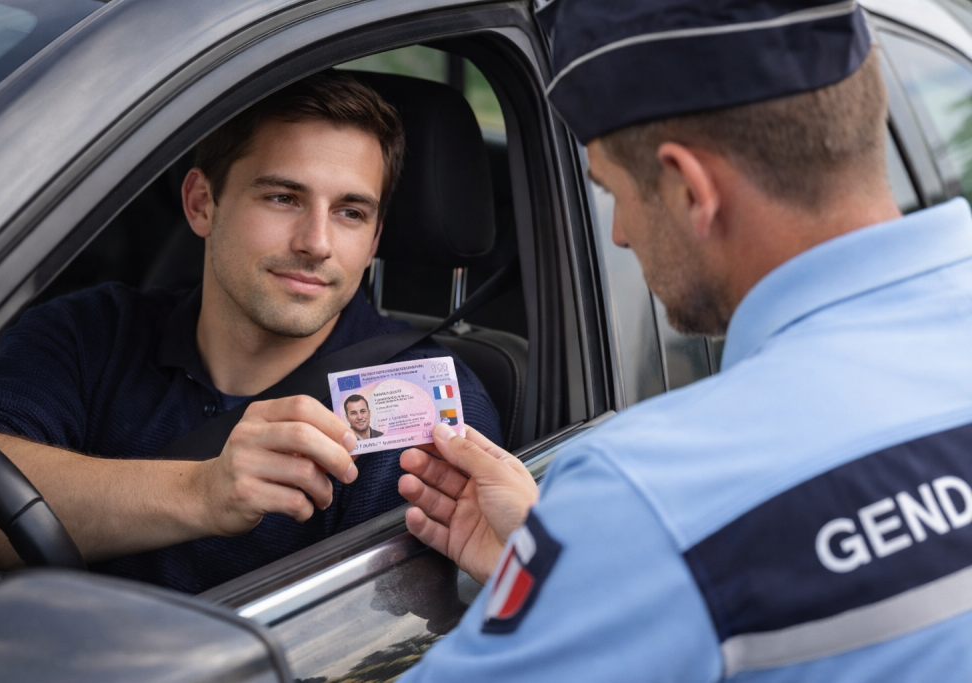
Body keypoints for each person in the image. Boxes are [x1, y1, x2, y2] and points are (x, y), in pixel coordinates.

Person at [396, 1, 972, 681]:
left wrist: (590, 563)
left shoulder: (648, 497)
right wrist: (578, 579)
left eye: (612, 192)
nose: (618, 235)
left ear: (691, 190)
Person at [0, 70, 501, 593]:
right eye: (283, 198)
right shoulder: (87, 331)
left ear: (375, 238)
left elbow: (391, 632)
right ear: (201, 204)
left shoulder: (423, 404)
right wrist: (200, 493)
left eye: (350, 213)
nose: (316, 243)